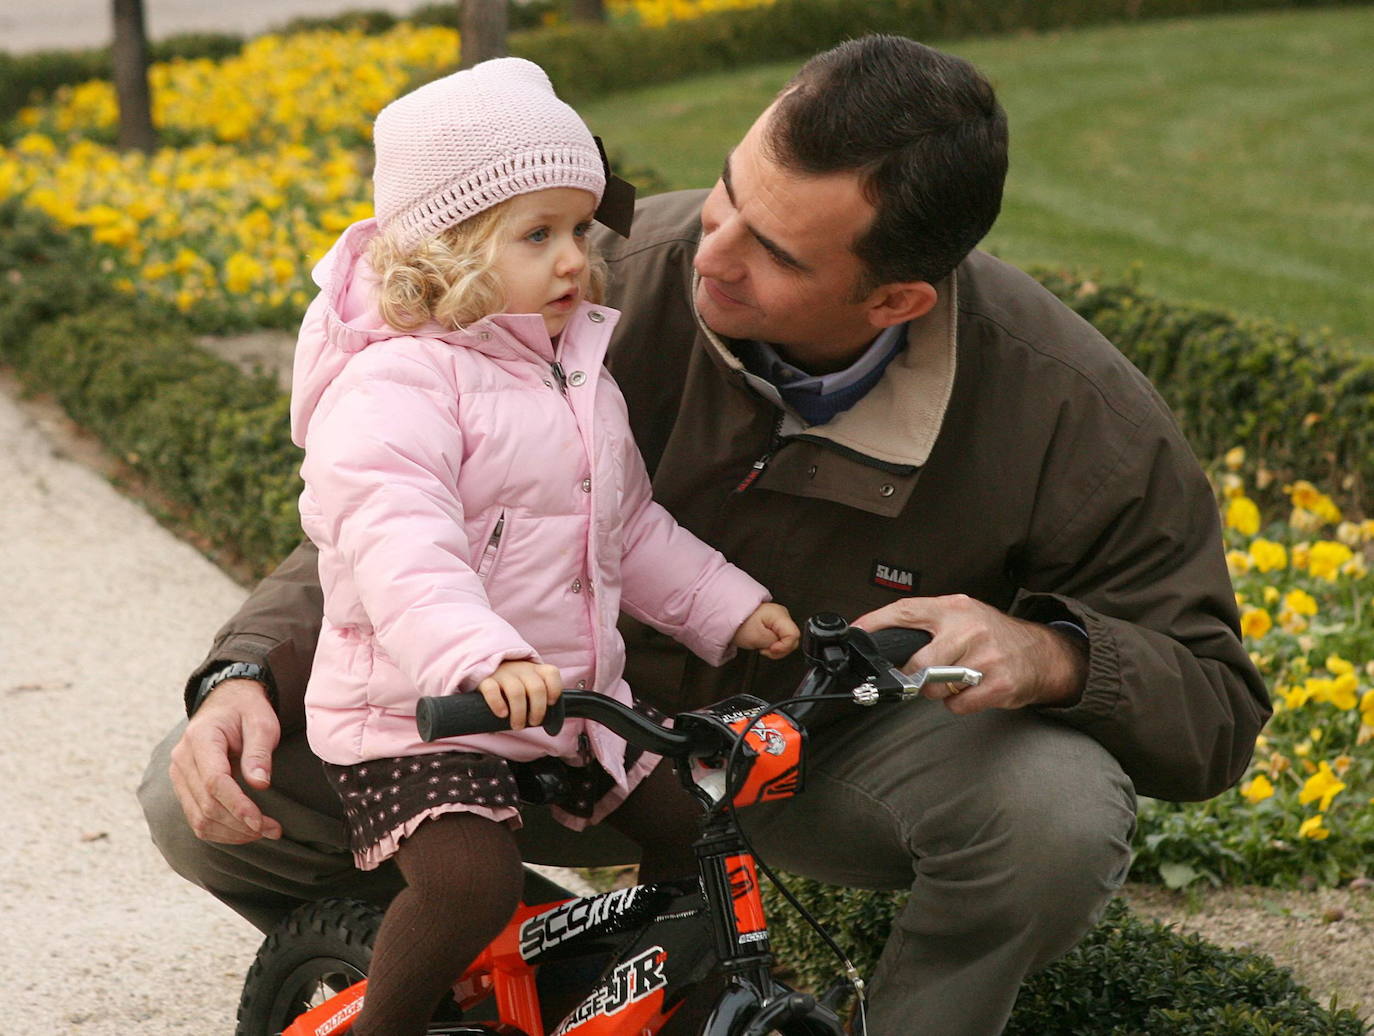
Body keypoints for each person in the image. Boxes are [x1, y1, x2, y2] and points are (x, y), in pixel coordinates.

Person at [140, 35, 1270, 1036]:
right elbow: (391, 513)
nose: (709, 251)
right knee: (202, 802)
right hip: (519, 714)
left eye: (775, 251)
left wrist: (1058, 655)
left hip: (799, 756)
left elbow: (1215, 701)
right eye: (729, 191)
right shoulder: (581, 275)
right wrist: (241, 669)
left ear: (897, 302)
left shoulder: (1070, 411)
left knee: (1054, 818)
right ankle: (517, 987)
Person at [272, 58, 799, 1035]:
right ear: (448, 252)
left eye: (579, 230)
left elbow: (630, 528)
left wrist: (733, 606)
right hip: (419, 712)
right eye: (539, 235)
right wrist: (485, 658)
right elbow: (404, 552)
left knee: (700, 826)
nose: (575, 260)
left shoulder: (572, 375)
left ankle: (597, 1005)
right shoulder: (393, 391)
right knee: (467, 881)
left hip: (562, 699)